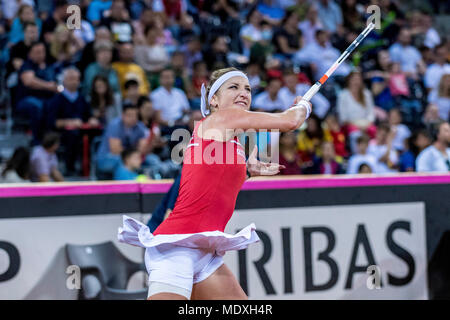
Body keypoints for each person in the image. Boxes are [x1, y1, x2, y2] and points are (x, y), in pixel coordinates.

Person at [118, 67, 312, 300]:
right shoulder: (221, 119)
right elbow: (291, 121)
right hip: (175, 250)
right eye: (234, 87)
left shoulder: (230, 141)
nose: (244, 93)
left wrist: (247, 170)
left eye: (248, 89)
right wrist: (303, 106)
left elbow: (211, 183)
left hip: (205, 254)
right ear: (214, 100)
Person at [95, 103, 149, 177]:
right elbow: (115, 150)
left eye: (136, 115)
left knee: (151, 159)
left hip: (131, 157)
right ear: (123, 116)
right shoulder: (114, 125)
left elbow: (143, 149)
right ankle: (127, 185)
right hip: (106, 158)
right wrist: (133, 157)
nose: (133, 118)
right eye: (130, 115)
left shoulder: (140, 126)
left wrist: (135, 157)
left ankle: (154, 182)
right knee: (121, 162)